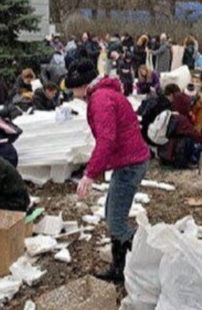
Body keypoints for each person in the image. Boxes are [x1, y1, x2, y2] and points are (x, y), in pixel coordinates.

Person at [67, 59, 150, 283]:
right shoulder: (102, 94)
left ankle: (144, 263)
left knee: (117, 221)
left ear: (81, 85)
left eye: (73, 86)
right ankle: (121, 268)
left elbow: (106, 140)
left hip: (130, 164)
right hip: (128, 161)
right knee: (111, 214)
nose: (71, 92)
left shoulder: (100, 100)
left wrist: (89, 174)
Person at [161, 91, 202, 169]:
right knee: (189, 137)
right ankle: (187, 160)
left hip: (163, 154)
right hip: (175, 157)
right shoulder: (182, 120)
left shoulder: (168, 113)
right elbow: (195, 134)